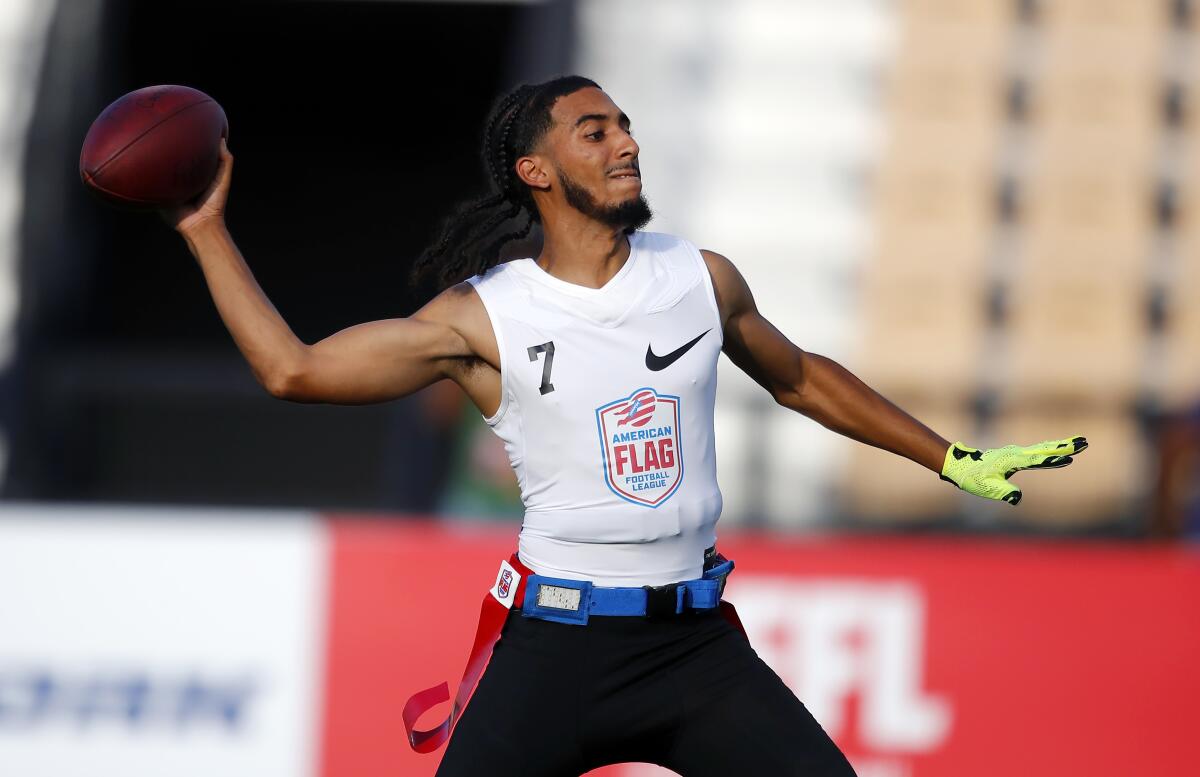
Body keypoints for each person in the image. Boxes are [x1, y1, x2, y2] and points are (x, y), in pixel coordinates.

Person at [166, 76, 1088, 776]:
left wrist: (952, 456)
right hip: (555, 650)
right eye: (594, 131)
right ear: (536, 172)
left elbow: (801, 378)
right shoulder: (484, 316)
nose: (626, 142)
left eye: (626, 126)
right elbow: (293, 369)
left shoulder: (701, 278)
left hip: (695, 650)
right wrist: (205, 227)